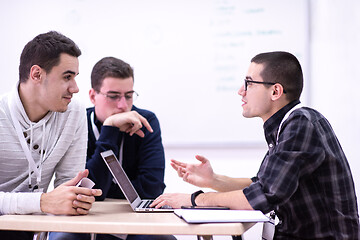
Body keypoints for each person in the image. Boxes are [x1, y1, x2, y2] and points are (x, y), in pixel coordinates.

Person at [151, 51, 360, 239]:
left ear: (275, 91)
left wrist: (194, 200)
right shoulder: (286, 125)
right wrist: (213, 179)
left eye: (249, 83)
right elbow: (262, 184)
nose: (241, 91)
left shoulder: (301, 124)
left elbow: (262, 197)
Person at [49, 57, 175, 240]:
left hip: (133, 221)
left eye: (129, 95)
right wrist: (110, 129)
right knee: (65, 238)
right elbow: (82, 193)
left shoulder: (146, 121)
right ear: (92, 96)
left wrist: (106, 190)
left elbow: (152, 189)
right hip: (84, 218)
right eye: (114, 96)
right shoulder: (77, 123)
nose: (123, 105)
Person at [0, 31, 102, 239]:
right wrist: (43, 201)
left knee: (76, 234)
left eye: (75, 77)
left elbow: (69, 183)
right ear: (36, 74)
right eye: (67, 77)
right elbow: (48, 202)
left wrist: (77, 198)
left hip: (34, 227)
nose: (75, 88)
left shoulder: (74, 113)